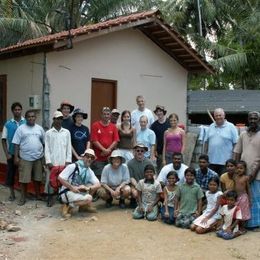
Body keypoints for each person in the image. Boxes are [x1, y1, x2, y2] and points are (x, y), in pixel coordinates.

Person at [12, 110, 45, 205]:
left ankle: (38, 195)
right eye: (29, 117)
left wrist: (44, 157)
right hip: (25, 158)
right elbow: (16, 144)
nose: (31, 118)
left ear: (35, 118)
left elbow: (44, 143)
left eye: (33, 116)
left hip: (38, 158)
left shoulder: (39, 128)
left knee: (38, 178)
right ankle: (23, 197)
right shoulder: (21, 128)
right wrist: (16, 157)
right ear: (25, 118)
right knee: (24, 179)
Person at [234, 111, 260, 229]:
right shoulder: (243, 134)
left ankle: (255, 224)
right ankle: (246, 222)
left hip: (257, 174)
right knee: (244, 199)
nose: (253, 121)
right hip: (242, 174)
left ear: (258, 120)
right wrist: (236, 170)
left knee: (255, 199)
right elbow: (237, 152)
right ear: (248, 120)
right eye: (251, 119)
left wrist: (253, 174)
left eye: (255, 119)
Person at [58, 149, 101, 218]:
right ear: (83, 157)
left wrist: (88, 188)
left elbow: (98, 184)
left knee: (91, 185)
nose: (89, 159)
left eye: (92, 158)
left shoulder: (89, 170)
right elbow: (60, 178)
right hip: (67, 191)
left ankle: (83, 207)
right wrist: (72, 188)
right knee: (89, 198)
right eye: (87, 156)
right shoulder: (73, 166)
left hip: (78, 191)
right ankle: (67, 206)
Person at [44, 111, 72, 206]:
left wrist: (68, 161)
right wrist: (48, 161)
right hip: (52, 162)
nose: (59, 120)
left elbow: (69, 147)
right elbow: (46, 148)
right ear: (53, 120)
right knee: (51, 180)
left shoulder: (66, 132)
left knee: (62, 180)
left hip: (63, 161)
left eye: (60, 118)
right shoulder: (48, 133)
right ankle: (50, 197)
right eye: (57, 118)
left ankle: (61, 197)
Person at [1, 102, 26, 201]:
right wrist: (7, 154)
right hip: (11, 154)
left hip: (23, 154)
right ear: (12, 111)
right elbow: (3, 140)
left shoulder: (25, 122)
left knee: (23, 175)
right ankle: (12, 194)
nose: (17, 111)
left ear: (21, 110)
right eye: (15, 110)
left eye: (19, 109)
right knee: (11, 174)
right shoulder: (8, 124)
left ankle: (23, 195)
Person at [204, 108, 238, 176]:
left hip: (225, 163)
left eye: (220, 115)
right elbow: (206, 142)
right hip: (211, 162)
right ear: (214, 117)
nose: (218, 117)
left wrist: (233, 160)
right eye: (216, 116)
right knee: (212, 183)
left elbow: (236, 144)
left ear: (224, 115)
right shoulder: (211, 126)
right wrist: (205, 157)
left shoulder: (231, 127)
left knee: (224, 184)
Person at [91, 107, 119, 178]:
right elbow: (94, 140)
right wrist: (104, 150)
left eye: (108, 114)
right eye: (104, 114)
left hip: (110, 159)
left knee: (110, 178)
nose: (106, 116)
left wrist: (108, 150)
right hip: (98, 158)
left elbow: (116, 140)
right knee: (99, 177)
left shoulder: (113, 127)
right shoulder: (95, 125)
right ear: (101, 115)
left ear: (110, 115)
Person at [127, 143, 153, 208]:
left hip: (147, 183)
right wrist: (139, 186)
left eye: (142, 151)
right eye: (138, 150)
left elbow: (153, 175)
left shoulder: (149, 162)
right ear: (134, 151)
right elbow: (131, 177)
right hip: (135, 184)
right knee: (135, 193)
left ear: (144, 152)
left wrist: (147, 186)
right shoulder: (130, 163)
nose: (140, 152)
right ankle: (133, 200)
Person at [151, 105, 170, 172]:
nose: (159, 113)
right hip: (159, 152)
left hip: (169, 151)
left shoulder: (169, 122)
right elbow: (153, 139)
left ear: (163, 112)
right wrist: (154, 151)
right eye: (157, 111)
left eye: (160, 111)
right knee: (161, 170)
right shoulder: (154, 125)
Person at [234, 161, 251, 232]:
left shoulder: (246, 178)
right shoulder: (235, 177)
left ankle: (243, 228)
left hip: (244, 198)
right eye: (237, 168)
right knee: (237, 212)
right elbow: (234, 187)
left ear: (245, 169)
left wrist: (250, 199)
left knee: (243, 213)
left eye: (241, 168)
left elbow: (248, 189)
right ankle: (238, 226)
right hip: (237, 197)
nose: (239, 170)